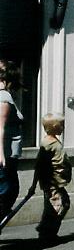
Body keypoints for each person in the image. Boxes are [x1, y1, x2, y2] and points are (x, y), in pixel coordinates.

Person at [29, 113, 71, 242]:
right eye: (61, 125)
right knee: (58, 205)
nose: (63, 127)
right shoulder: (48, 144)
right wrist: (34, 184)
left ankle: (47, 230)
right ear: (54, 127)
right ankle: (47, 232)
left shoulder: (53, 142)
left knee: (58, 204)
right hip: (52, 182)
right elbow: (39, 165)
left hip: (57, 182)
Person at [0, 60, 24, 220]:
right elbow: (0, 127)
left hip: (8, 154)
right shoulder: (4, 96)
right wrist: (1, 154)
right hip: (5, 155)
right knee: (8, 190)